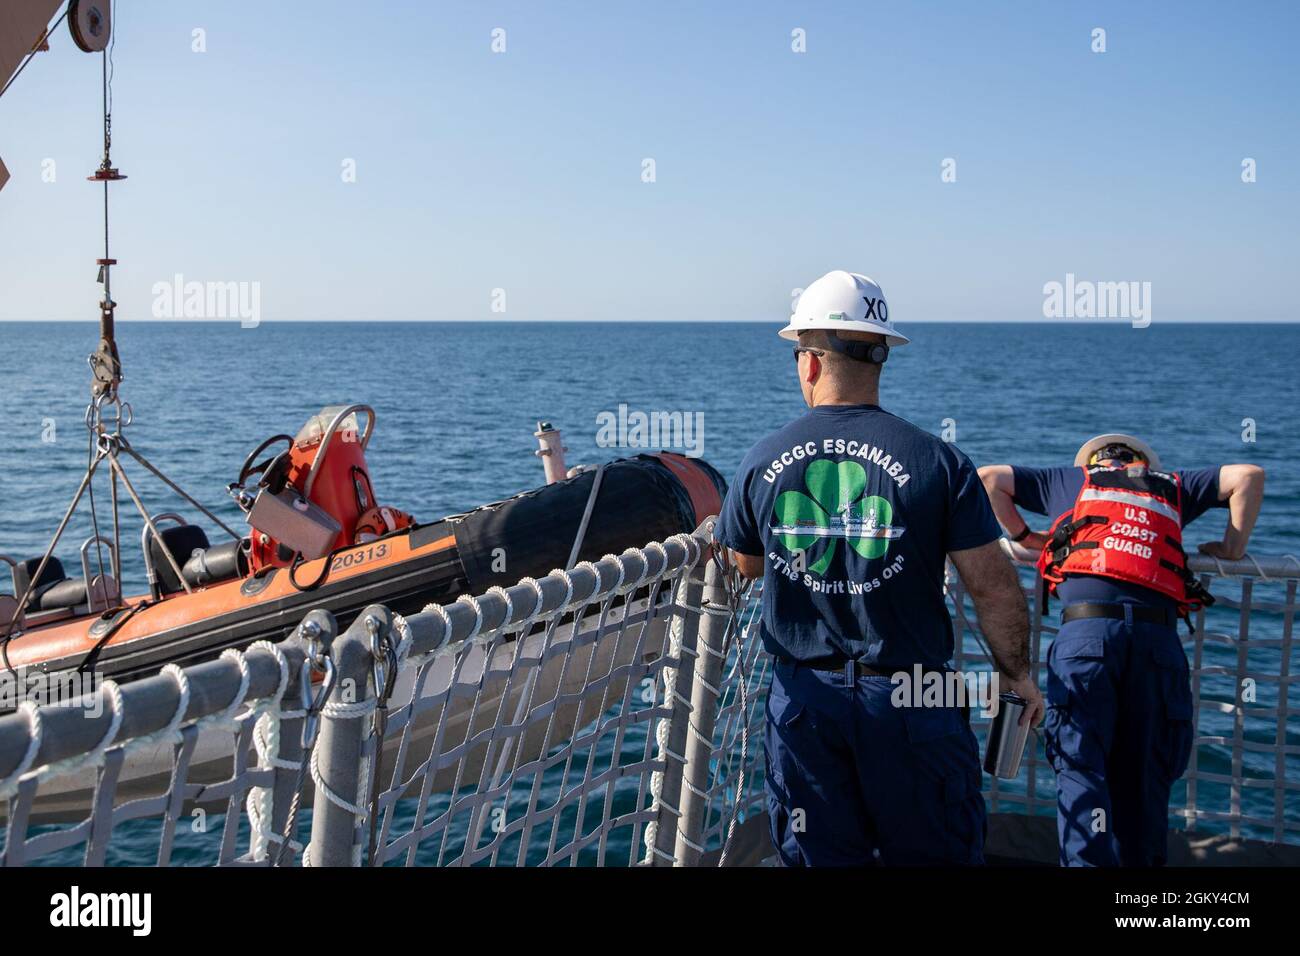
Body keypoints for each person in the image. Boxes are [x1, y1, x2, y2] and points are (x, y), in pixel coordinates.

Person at [715, 270, 1042, 867]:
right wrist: (1017, 675)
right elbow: (993, 587)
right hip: (916, 693)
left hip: (804, 700)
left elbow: (745, 564)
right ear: (881, 357)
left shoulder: (762, 458)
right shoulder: (939, 461)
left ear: (810, 363)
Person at [979, 437, 1265, 866]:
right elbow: (1248, 476)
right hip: (1156, 641)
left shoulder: (1071, 481)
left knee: (1081, 767)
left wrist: (1026, 536)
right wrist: (1232, 550)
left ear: (1092, 461)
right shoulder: (1171, 485)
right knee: (1147, 775)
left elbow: (989, 479)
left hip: (1086, 635)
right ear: (1143, 463)